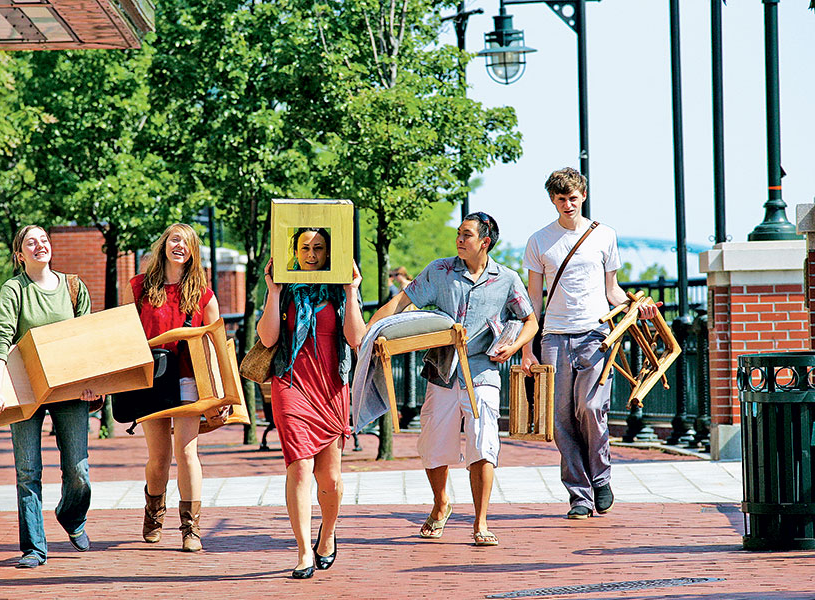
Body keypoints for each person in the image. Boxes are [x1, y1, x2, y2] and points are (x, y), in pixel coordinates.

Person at [367, 213, 538, 547]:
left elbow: (530, 320)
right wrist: (370, 331)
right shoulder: (440, 271)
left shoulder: (507, 279)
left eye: (467, 235)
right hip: (443, 370)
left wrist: (514, 346)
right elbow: (402, 302)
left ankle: (481, 521)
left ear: (485, 242)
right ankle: (441, 503)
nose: (459, 240)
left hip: (483, 371)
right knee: (434, 445)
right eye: (458, 233)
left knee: (484, 442)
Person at [521, 167, 659, 520]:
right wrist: (526, 346)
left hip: (596, 334)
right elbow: (533, 300)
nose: (567, 204)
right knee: (561, 419)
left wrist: (635, 306)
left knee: (592, 407)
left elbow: (612, 290)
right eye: (560, 198)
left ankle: (601, 477)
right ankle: (579, 495)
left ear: (583, 196)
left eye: (573, 197)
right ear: (552, 200)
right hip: (553, 336)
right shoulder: (539, 240)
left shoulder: (604, 236)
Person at [0, 225, 99, 568]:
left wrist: (92, 381)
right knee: (28, 470)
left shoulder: (73, 287)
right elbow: (1, 339)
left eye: (44, 240)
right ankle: (34, 547)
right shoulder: (14, 289)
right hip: (25, 389)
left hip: (69, 388)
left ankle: (71, 516)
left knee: (78, 470)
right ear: (19, 255)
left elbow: (89, 338)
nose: (40, 245)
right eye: (30, 242)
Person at [256, 227, 365, 579]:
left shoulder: (338, 289)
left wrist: (351, 291)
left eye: (319, 247)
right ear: (295, 250)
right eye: (305, 247)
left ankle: (327, 535)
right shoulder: (284, 288)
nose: (312, 254)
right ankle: (303, 552)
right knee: (299, 468)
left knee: (329, 479)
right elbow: (268, 336)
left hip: (330, 387)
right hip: (290, 382)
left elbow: (356, 337)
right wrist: (273, 293)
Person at [130, 223, 220, 552]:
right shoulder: (139, 287)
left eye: (186, 241)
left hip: (188, 380)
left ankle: (190, 528)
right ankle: (153, 514)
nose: (178, 245)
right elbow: (127, 336)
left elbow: (215, 347)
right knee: (158, 458)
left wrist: (217, 395)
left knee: (187, 453)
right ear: (164, 244)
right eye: (174, 238)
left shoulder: (203, 296)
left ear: (193, 251)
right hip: (151, 380)